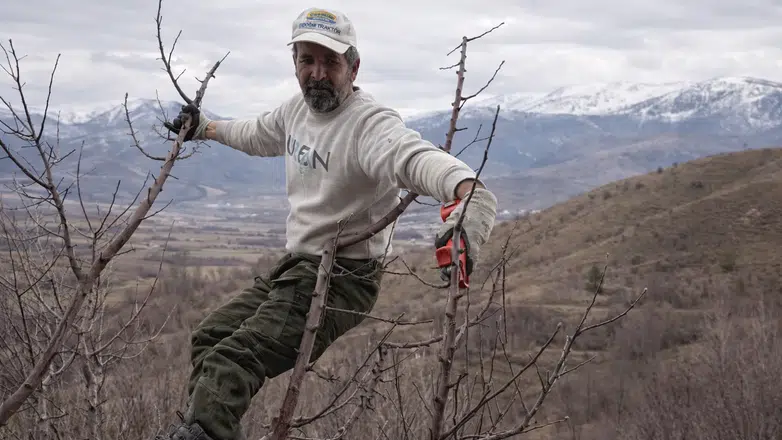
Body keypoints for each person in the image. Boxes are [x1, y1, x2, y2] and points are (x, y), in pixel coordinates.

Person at [157, 6, 498, 440]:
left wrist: (467, 192)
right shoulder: (296, 112)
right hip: (297, 266)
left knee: (233, 361)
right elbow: (256, 133)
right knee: (211, 338)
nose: (317, 74)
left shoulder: (368, 125)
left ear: (353, 67)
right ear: (295, 64)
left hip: (343, 278)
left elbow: (412, 156)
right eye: (307, 60)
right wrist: (204, 128)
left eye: (330, 62)